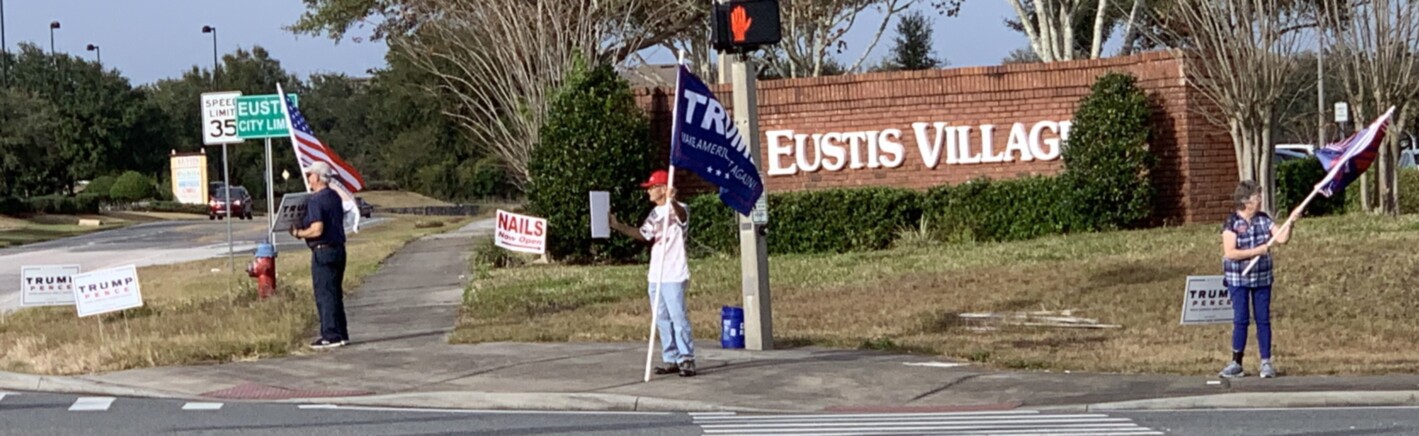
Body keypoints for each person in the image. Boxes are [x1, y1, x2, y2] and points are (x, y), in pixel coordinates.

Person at [609, 169, 695, 377]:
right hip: (656, 274)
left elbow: (682, 218)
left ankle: (687, 358)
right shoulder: (655, 213)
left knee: (678, 316)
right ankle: (671, 357)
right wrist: (617, 225)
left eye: (652, 188)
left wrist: (672, 201)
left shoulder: (680, 209)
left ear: (663, 189)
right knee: (662, 318)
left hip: (674, 273)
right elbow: (643, 234)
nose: (648, 192)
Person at [1219, 180, 1291, 378]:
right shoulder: (1232, 222)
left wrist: (1291, 222)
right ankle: (1236, 362)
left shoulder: (1263, 219)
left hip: (1262, 278)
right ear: (1245, 201)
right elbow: (1230, 252)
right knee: (1241, 319)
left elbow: (1282, 238)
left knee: (1263, 319)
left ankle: (1266, 362)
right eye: (1256, 197)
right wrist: (1256, 251)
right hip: (1238, 279)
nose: (1260, 200)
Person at [289, 161, 350, 350]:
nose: (308, 179)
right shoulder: (334, 197)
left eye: (310, 175)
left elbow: (317, 229)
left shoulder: (316, 200)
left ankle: (330, 335)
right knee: (335, 293)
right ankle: (341, 333)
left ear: (316, 177)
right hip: (339, 248)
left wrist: (298, 233)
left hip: (323, 250)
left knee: (325, 294)